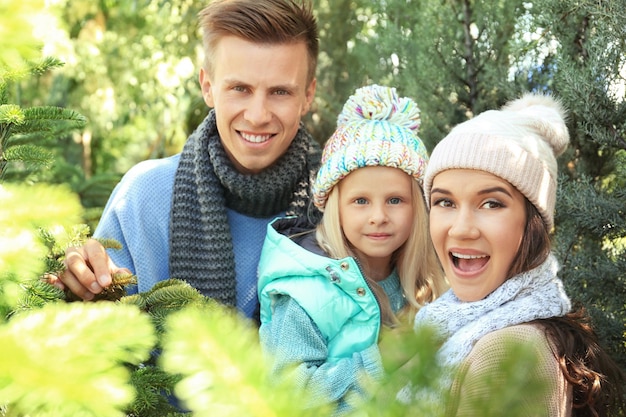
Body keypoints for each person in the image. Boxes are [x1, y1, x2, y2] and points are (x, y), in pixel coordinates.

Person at [50, 0, 321, 319]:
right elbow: (101, 337)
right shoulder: (142, 197)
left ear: (307, 95)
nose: (258, 115)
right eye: (240, 88)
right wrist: (78, 287)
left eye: (280, 92)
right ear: (208, 87)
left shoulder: (347, 204)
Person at [411, 93, 625, 416]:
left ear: (534, 222)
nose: (461, 229)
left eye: (491, 203)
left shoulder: (503, 355)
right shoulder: (455, 327)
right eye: (445, 202)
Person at [257, 84, 447, 415]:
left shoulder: (423, 282)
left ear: (418, 207)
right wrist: (378, 361)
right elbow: (287, 393)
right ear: (336, 207)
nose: (379, 217)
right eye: (360, 201)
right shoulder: (306, 292)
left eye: (395, 200)